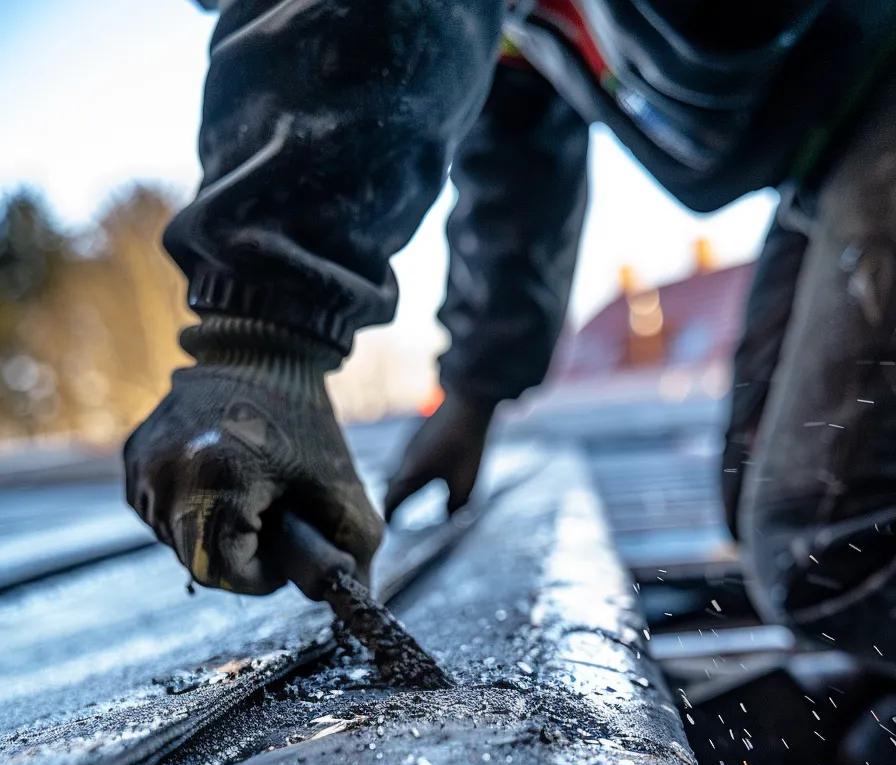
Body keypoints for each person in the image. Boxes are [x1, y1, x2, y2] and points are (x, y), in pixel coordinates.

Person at [125, 1, 896, 661]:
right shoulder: (525, 26)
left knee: (827, 539)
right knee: (766, 489)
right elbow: (519, 155)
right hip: (830, 150)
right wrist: (475, 391)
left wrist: (262, 336)